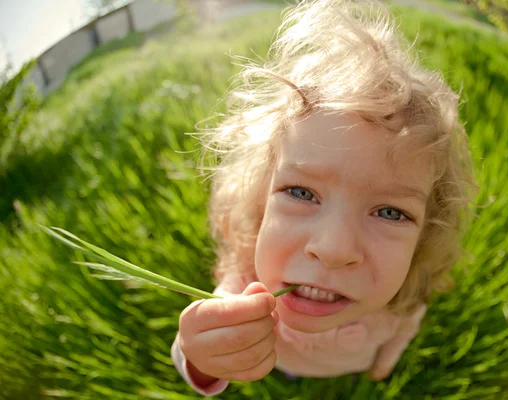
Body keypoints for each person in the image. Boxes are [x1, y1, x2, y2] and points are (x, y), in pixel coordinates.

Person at [171, 0, 478, 395]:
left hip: (358, 365)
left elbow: (405, 328)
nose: (334, 249)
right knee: (287, 370)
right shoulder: (246, 284)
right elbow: (197, 346)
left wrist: (384, 363)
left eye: (389, 212)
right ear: (259, 198)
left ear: (425, 234)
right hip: (283, 362)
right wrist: (201, 356)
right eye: (301, 192)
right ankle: (291, 370)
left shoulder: (402, 295)